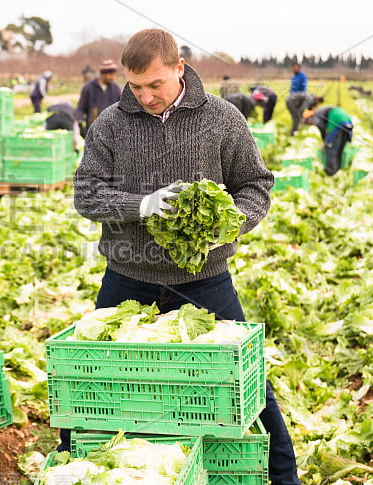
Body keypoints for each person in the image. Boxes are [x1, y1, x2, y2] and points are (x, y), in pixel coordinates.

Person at [72, 28, 301, 485]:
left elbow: (256, 184)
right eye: (136, 87)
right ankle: (80, 467)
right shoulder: (112, 123)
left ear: (179, 68)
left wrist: (228, 224)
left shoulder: (222, 118)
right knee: (95, 383)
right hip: (128, 278)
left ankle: (284, 479)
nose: (146, 96)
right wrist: (141, 204)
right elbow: (86, 193)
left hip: (204, 280)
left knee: (246, 385)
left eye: (154, 85)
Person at [303, 106, 353, 176]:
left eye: (307, 122)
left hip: (336, 119)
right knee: (340, 146)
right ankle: (338, 168)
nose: (309, 124)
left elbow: (320, 126)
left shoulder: (314, 117)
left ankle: (331, 172)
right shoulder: (320, 112)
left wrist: (324, 141)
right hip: (346, 118)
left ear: (308, 118)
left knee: (330, 147)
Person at [77, 59, 121, 136]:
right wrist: (81, 126)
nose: (113, 78)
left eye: (114, 74)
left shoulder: (116, 89)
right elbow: (80, 108)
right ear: (103, 74)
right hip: (92, 131)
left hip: (111, 132)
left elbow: (121, 108)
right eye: (111, 74)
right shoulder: (88, 88)